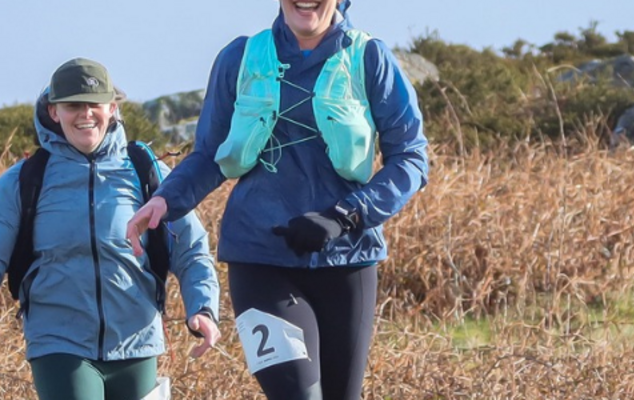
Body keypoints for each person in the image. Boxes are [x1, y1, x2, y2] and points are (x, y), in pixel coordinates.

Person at [126, 1, 429, 398]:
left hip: (347, 261)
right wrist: (165, 200)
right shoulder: (239, 57)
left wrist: (346, 215)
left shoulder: (369, 57)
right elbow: (208, 155)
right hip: (259, 259)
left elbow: (411, 158)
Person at [0, 58, 221, 400]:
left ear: (113, 108)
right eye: (73, 105)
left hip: (138, 342)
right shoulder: (23, 181)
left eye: (95, 105)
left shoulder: (147, 171)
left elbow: (191, 250)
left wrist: (203, 309)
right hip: (59, 344)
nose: (85, 114)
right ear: (54, 111)